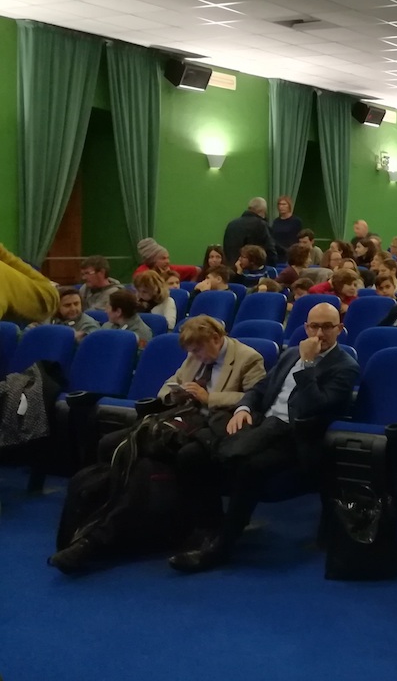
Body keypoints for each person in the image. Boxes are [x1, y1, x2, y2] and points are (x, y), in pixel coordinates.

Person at [49, 316, 268, 574]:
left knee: (159, 459)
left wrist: (210, 397)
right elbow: (167, 386)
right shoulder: (195, 355)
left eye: (197, 349)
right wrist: (175, 393)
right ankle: (115, 522)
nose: (194, 355)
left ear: (216, 339)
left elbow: (257, 398)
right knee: (112, 444)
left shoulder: (248, 358)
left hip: (213, 427)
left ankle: (96, 537)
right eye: (190, 351)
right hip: (179, 422)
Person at [168, 302, 358, 572]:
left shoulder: (345, 366)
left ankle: (222, 547)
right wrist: (243, 408)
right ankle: (209, 527)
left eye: (327, 326)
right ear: (305, 327)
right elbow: (260, 388)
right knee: (191, 454)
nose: (319, 333)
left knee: (249, 466)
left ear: (339, 329)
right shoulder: (290, 353)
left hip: (298, 436)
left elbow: (317, 405)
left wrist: (307, 364)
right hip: (260, 424)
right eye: (314, 326)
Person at [222, 197, 275, 266]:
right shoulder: (261, 225)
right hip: (252, 270)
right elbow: (270, 250)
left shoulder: (231, 224)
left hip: (231, 268)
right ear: (262, 211)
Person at [135, 239, 199, 282]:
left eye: (168, 258)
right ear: (152, 260)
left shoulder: (170, 268)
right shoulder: (141, 273)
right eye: (163, 258)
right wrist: (164, 276)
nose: (167, 261)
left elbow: (197, 270)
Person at [270, 196, 302, 264]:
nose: (281, 206)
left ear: (289, 206)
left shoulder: (296, 221)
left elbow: (298, 238)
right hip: (277, 253)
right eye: (279, 204)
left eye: (284, 204)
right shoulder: (276, 222)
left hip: (290, 253)